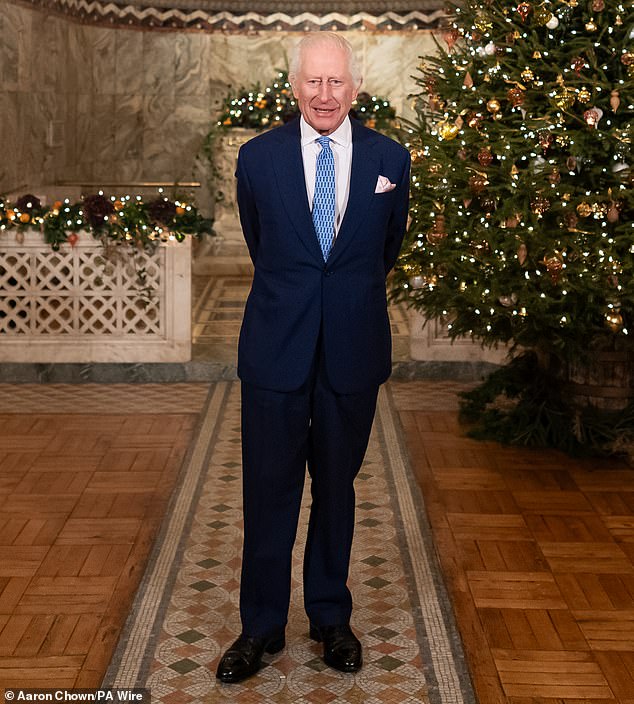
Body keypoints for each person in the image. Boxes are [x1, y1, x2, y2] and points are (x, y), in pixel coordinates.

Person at [216, 31, 411, 684]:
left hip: (352, 353)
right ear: (293, 84)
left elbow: (386, 249)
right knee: (268, 492)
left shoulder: (391, 158)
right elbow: (260, 239)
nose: (325, 95)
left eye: (337, 82)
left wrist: (341, 300)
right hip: (276, 351)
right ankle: (260, 626)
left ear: (355, 88)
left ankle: (331, 616)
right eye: (313, 82)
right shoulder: (257, 159)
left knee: (337, 490)